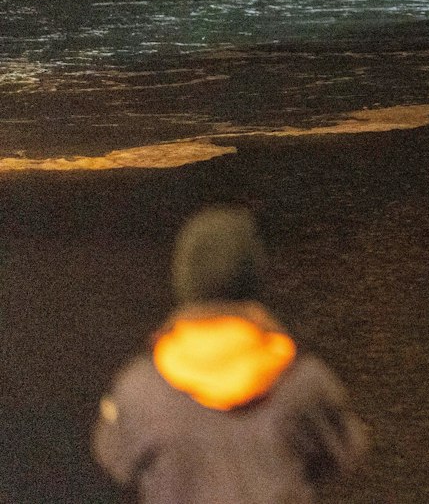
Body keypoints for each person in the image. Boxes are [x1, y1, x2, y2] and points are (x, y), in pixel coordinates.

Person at [94, 205, 367, 503]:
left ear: (183, 281)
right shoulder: (302, 382)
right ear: (255, 279)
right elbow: (342, 454)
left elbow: (115, 458)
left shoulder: (140, 389)